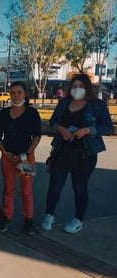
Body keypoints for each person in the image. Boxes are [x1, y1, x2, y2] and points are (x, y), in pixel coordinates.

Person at [42, 74, 113, 233]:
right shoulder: (64, 103)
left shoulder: (97, 105)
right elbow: (53, 121)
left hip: (85, 152)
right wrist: (61, 130)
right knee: (55, 186)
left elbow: (107, 126)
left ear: (87, 87)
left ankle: (78, 219)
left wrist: (88, 130)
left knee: (79, 187)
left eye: (81, 86)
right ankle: (49, 215)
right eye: (74, 86)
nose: (77, 89)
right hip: (61, 150)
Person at [0, 81, 42, 236]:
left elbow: (36, 136)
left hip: (25, 158)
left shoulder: (31, 113)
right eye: (12, 92)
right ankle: (7, 217)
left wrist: (26, 155)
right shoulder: (4, 113)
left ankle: (28, 220)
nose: (15, 95)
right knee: (8, 189)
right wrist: (5, 153)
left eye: (19, 92)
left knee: (26, 190)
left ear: (25, 94)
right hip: (7, 157)